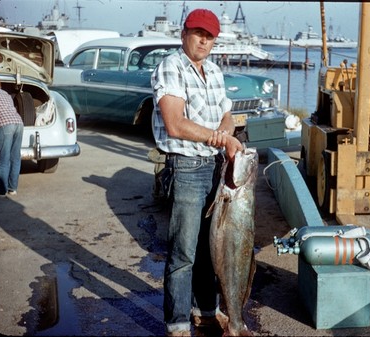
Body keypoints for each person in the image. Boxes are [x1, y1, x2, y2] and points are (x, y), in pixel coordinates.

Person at [151, 8, 244, 337]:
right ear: (184, 34)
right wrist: (216, 137)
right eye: (198, 33)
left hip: (215, 168)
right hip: (187, 167)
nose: (204, 40)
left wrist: (225, 133)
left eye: (210, 36)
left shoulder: (215, 72)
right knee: (184, 252)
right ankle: (176, 324)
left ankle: (205, 311)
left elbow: (228, 116)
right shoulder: (171, 66)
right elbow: (175, 124)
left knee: (210, 249)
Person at [0, 78, 24, 196]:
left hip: (5, 125)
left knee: (4, 159)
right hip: (19, 123)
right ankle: (13, 188)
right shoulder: (6, 94)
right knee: (15, 157)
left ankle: (1, 190)